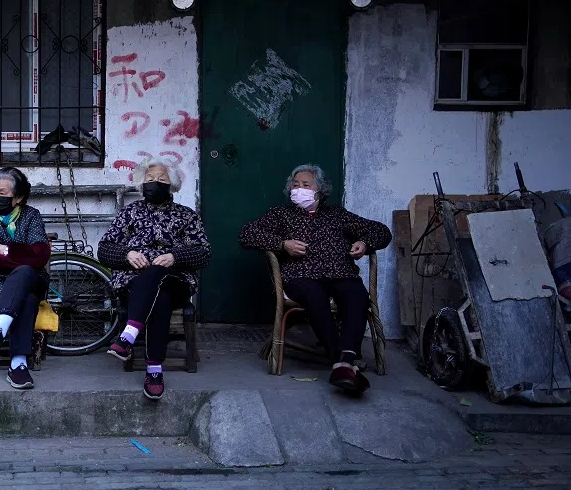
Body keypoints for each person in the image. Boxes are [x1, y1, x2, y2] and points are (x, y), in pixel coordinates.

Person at [239, 164, 391, 394]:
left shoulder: (338, 215)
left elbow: (381, 231)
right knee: (315, 296)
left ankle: (343, 362)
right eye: (295, 185)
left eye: (306, 185)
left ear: (320, 190)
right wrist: (283, 244)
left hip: (340, 273)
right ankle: (343, 361)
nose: (299, 189)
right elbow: (246, 234)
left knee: (357, 295)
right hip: (301, 276)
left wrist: (364, 243)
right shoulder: (281, 215)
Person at [98, 158, 212, 400]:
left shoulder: (186, 216)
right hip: (134, 281)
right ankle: (154, 370)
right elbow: (104, 249)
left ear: (172, 185)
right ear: (141, 184)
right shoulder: (129, 213)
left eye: (161, 179)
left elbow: (204, 253)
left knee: (157, 273)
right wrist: (127, 254)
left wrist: (175, 256)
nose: (155, 183)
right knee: (159, 297)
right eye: (150, 179)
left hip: (177, 280)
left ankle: (128, 335)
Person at [0, 167, 50, 390]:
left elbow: (41, 255)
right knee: (27, 297)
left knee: (25, 274)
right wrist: (25, 258)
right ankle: (18, 364)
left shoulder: (31, 216)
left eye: (2, 193)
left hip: (30, 281)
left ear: (18, 197)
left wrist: (4, 250)